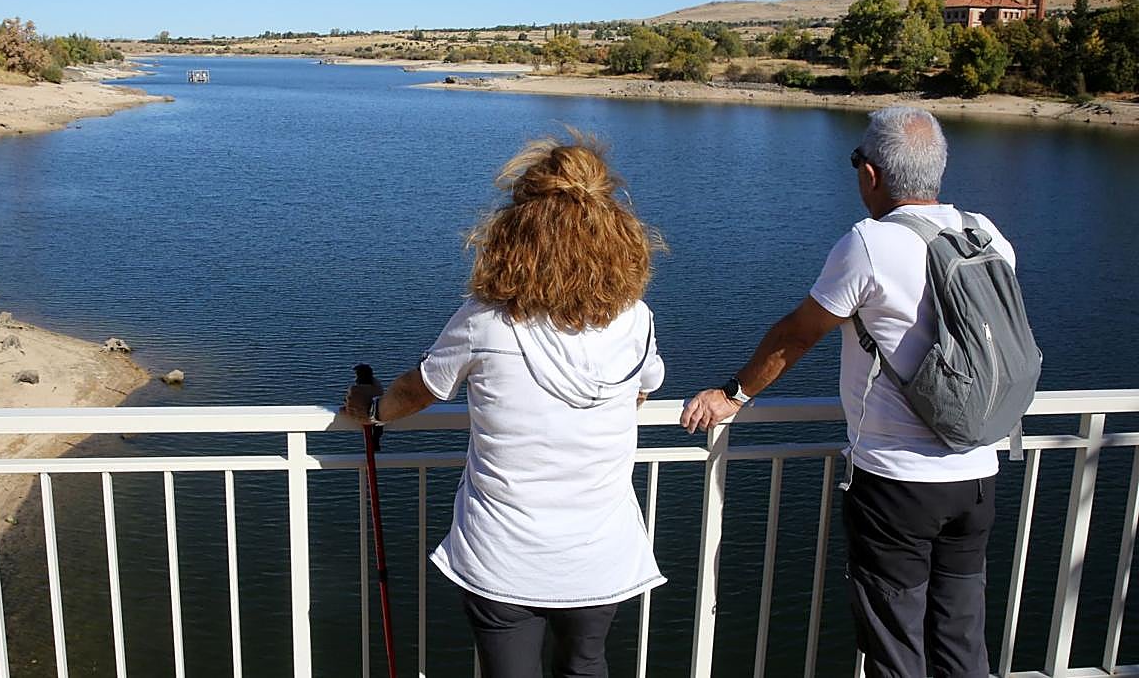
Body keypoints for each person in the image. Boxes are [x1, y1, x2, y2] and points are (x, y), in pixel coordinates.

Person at [681, 107, 1013, 678]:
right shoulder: (985, 233)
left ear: (872, 175)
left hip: (897, 483)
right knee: (961, 636)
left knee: (894, 642)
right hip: (979, 472)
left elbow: (798, 334)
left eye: (857, 160)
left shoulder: (871, 242)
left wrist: (732, 393)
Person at [345, 133, 667, 678]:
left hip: (504, 554)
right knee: (586, 665)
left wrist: (370, 409)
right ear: (615, 233)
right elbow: (645, 383)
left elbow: (415, 392)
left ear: (516, 233)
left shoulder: (486, 321)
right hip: (600, 551)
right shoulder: (635, 318)